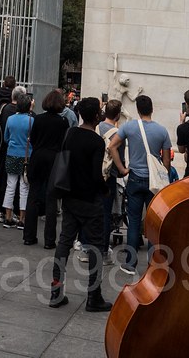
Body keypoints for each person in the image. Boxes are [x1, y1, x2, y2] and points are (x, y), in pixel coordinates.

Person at [48, 95, 110, 312]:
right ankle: (94, 295)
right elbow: (95, 175)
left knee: (64, 242)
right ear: (96, 116)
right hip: (90, 200)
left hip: (69, 195)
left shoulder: (71, 133)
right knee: (95, 247)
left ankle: (56, 291)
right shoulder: (96, 141)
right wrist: (105, 189)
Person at [109, 93, 171, 275]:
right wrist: (163, 176)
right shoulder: (162, 131)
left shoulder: (129, 127)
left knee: (134, 221)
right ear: (152, 109)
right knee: (152, 223)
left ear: (137, 110)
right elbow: (166, 161)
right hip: (153, 182)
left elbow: (112, 146)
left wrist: (122, 168)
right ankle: (152, 264)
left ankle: (130, 263)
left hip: (135, 177)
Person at [23, 88, 68, 249]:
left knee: (33, 196)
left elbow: (33, 139)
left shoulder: (38, 119)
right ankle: (49, 240)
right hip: (54, 158)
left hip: (38, 156)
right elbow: (64, 143)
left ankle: (29, 236)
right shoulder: (63, 122)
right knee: (51, 199)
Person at [98, 98, 124, 264]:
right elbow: (120, 158)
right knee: (106, 213)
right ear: (118, 115)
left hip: (94, 174)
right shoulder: (118, 134)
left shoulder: (97, 127)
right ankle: (103, 250)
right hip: (109, 175)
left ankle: (86, 245)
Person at [2, 93, 33, 229]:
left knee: (10, 186)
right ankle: (22, 219)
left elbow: (6, 138)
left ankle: (8, 217)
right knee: (24, 187)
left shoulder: (10, 119)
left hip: (12, 154)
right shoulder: (31, 120)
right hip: (26, 155)